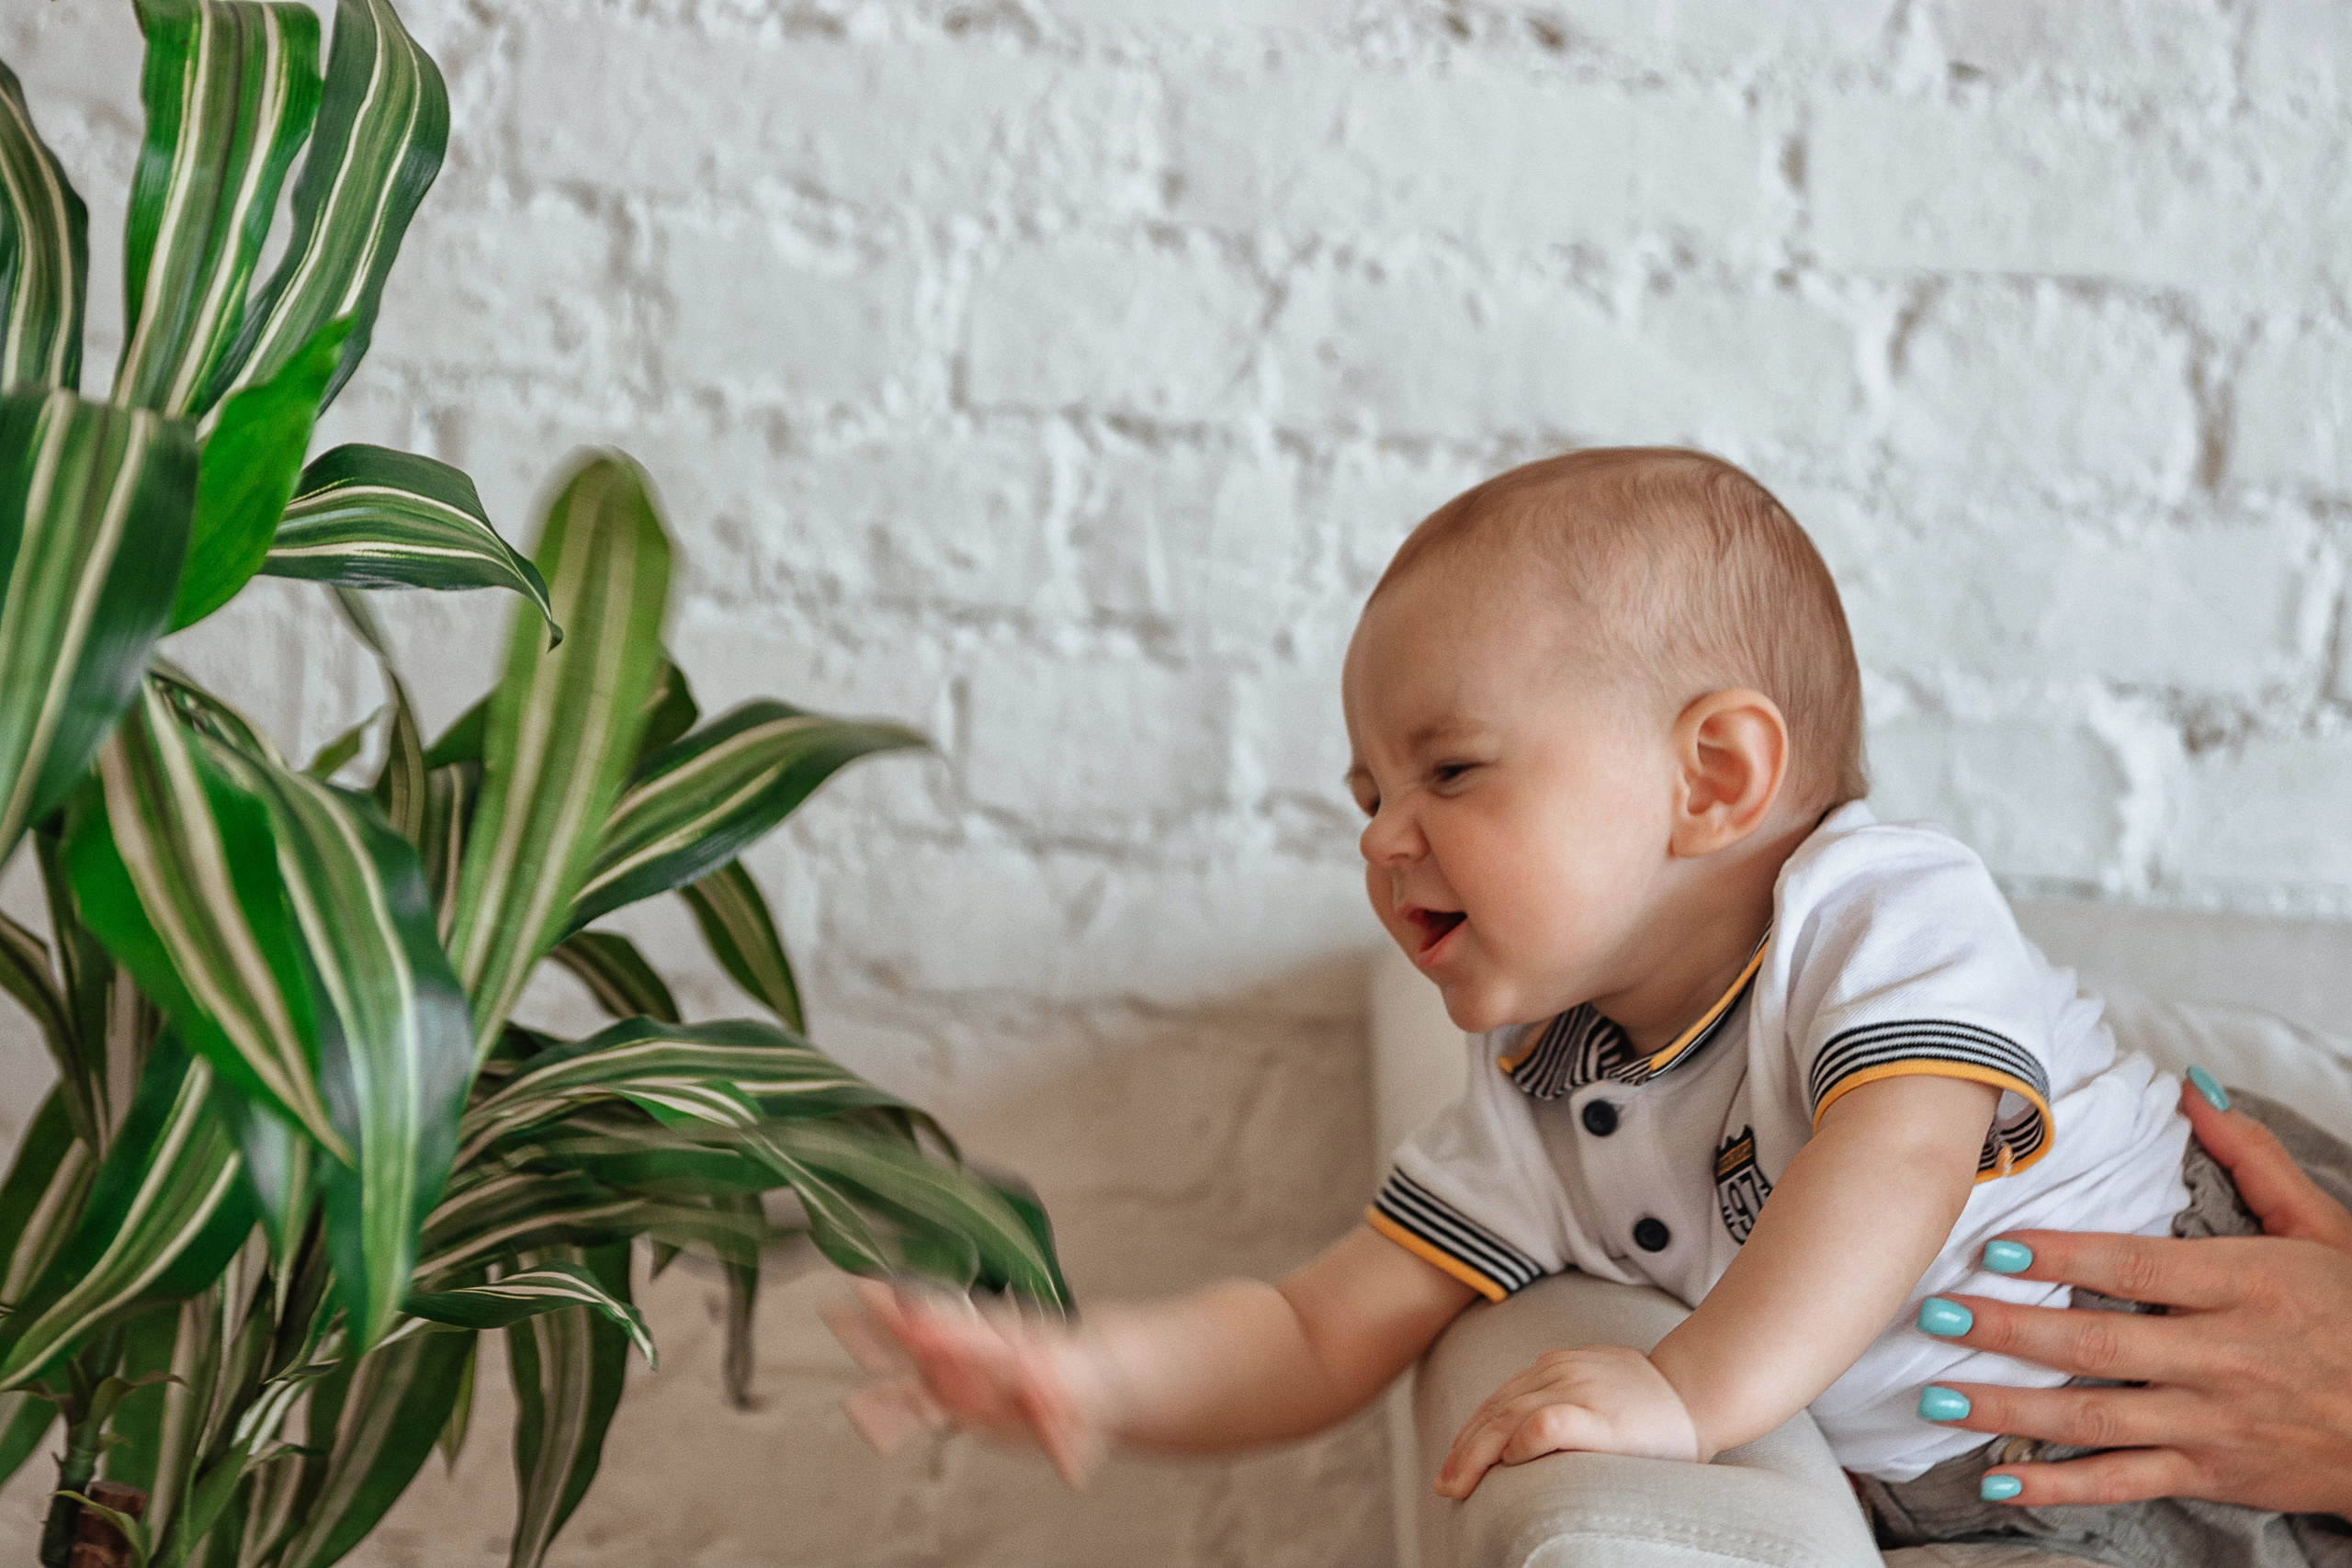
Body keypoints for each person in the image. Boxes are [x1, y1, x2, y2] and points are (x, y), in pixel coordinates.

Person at [825, 448, 2352, 1565]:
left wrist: (1685, 1396)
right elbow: (1317, 1323)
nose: (1381, 836)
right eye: (1368, 793)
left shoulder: (1872, 913)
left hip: (2180, 1300)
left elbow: (1894, 1164)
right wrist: (1090, 1371)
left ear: (1714, 780)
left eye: (1451, 770)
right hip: (1987, 1500)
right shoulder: (1545, 1094)